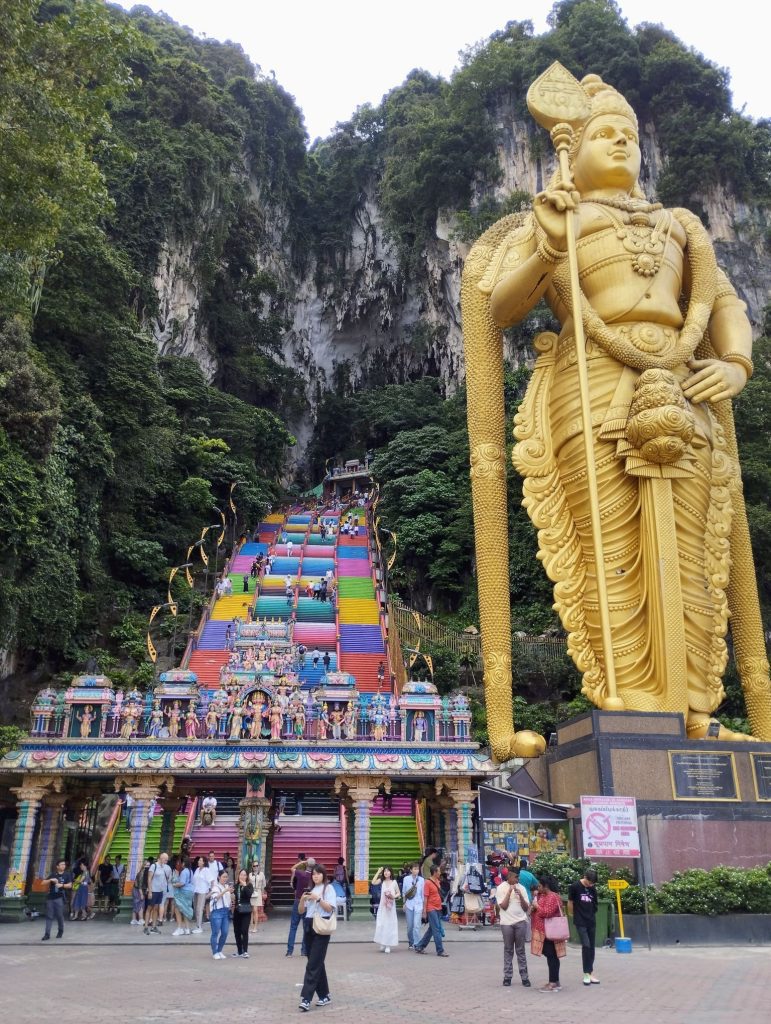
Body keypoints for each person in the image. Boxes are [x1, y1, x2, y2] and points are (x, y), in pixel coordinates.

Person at [463, 67, 771, 758]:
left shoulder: (678, 226)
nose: (620, 145)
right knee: (610, 551)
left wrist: (733, 363)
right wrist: (545, 244)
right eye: (604, 133)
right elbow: (498, 307)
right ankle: (629, 698)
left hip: (685, 383)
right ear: (571, 149)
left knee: (695, 552)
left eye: (629, 136)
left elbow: (724, 306)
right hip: (591, 385)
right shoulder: (558, 216)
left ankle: (695, 705)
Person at [298, 863, 336, 1012]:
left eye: (319, 873)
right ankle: (325, 995)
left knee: (312, 964)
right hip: (308, 925)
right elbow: (301, 911)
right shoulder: (311, 889)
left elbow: (330, 908)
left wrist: (318, 899)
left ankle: (306, 998)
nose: (316, 876)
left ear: (323, 875)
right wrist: (302, 899)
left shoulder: (329, 888)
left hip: (321, 927)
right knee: (316, 962)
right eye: (314, 874)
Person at [496, 865, 531, 988]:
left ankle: (524, 977)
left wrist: (520, 895)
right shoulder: (501, 888)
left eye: (518, 877)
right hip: (506, 923)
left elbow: (526, 908)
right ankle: (507, 977)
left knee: (521, 950)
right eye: (516, 877)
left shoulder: (522, 888)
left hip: (520, 922)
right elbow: (503, 906)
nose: (518, 879)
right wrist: (509, 892)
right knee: (508, 950)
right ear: (509, 876)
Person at [530, 875, 566, 992]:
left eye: (540, 886)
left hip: (550, 932)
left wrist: (536, 906)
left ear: (546, 886)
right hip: (544, 931)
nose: (538, 888)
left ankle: (553, 982)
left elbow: (547, 913)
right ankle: (555, 981)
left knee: (552, 956)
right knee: (551, 956)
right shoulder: (543, 895)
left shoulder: (552, 897)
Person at [568, 867, 600, 985]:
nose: (590, 884)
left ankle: (590, 973)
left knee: (591, 947)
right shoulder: (575, 887)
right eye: (589, 882)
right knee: (586, 945)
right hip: (580, 920)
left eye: (592, 883)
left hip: (591, 920)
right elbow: (570, 902)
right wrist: (572, 915)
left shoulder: (592, 889)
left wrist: (591, 913)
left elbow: (595, 903)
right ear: (585, 877)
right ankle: (586, 973)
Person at [413, 865, 449, 957]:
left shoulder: (437, 881)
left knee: (432, 929)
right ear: (434, 872)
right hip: (431, 908)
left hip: (438, 908)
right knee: (436, 929)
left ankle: (420, 946)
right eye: (438, 871)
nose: (440, 873)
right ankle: (440, 950)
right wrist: (424, 911)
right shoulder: (427, 883)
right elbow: (425, 898)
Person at [286, 855, 315, 956]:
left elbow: (292, 869)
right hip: (308, 903)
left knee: (293, 926)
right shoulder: (314, 877)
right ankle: (304, 950)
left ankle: (290, 951)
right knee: (305, 927)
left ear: (306, 865)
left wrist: (302, 862)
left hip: (298, 901)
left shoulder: (301, 874)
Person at [41, 859, 73, 940]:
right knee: (49, 916)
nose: (63, 866)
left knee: (59, 916)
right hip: (50, 898)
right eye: (62, 864)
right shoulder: (53, 874)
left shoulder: (67, 874)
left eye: (64, 864)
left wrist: (61, 885)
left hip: (60, 898)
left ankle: (60, 931)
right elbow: (43, 883)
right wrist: (50, 880)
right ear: (57, 866)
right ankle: (47, 934)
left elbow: (70, 885)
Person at [372, 865, 399, 952]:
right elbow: (373, 882)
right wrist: (378, 871)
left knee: (389, 924)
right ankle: (382, 943)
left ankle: (388, 945)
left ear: (391, 872)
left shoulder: (394, 882)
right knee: (382, 924)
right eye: (385, 871)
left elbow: (398, 893)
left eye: (388, 871)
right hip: (383, 906)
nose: (386, 872)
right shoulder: (382, 881)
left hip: (391, 908)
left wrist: (393, 896)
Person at [144, 852, 171, 934]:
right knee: (149, 908)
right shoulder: (153, 866)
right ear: (161, 858)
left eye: (167, 860)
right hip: (153, 891)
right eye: (165, 859)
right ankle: (145, 927)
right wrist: (150, 891)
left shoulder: (163, 867)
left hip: (160, 891)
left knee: (156, 908)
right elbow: (149, 879)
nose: (166, 861)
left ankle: (154, 926)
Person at [208, 868, 232, 960]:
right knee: (215, 932)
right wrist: (225, 891)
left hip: (225, 911)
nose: (225, 879)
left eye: (226, 877)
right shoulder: (215, 887)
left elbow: (229, 900)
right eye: (223, 877)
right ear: (219, 877)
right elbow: (215, 898)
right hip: (217, 912)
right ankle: (215, 952)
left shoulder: (226, 886)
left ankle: (219, 950)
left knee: (225, 932)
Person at [401, 862, 425, 949]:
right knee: (410, 926)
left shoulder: (422, 880)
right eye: (414, 869)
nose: (416, 870)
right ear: (411, 870)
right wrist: (404, 903)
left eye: (417, 869)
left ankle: (417, 943)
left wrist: (424, 907)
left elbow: (422, 894)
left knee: (416, 925)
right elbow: (404, 892)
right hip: (409, 904)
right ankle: (411, 942)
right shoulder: (406, 879)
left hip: (419, 904)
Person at [232, 868, 254, 958]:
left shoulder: (249, 885)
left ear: (247, 877)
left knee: (244, 930)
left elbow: (249, 895)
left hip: (246, 911)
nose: (243, 876)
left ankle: (245, 951)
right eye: (241, 874)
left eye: (245, 875)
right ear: (238, 876)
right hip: (237, 910)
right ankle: (239, 951)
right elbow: (234, 896)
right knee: (237, 931)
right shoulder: (236, 886)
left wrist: (244, 886)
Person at [172, 856, 195, 935]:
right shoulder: (191, 871)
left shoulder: (184, 871)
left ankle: (179, 928)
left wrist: (174, 884)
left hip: (184, 892)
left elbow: (182, 883)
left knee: (177, 908)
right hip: (190, 892)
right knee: (186, 909)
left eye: (181, 862)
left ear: (184, 863)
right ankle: (187, 928)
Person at [191, 855, 209, 932]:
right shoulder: (197, 869)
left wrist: (210, 892)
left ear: (204, 862)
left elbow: (211, 881)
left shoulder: (206, 870)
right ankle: (197, 925)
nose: (199, 861)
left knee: (200, 909)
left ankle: (199, 927)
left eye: (200, 860)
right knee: (195, 908)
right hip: (196, 891)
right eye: (199, 860)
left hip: (202, 891)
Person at [249, 859, 266, 933]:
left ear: (259, 866)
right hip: (251, 892)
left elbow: (264, 884)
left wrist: (262, 893)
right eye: (254, 866)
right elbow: (248, 884)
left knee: (255, 910)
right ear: (252, 867)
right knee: (251, 911)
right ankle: (251, 926)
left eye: (257, 865)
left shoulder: (261, 874)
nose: (255, 867)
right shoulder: (250, 874)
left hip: (258, 892)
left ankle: (255, 927)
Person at [131, 859, 150, 926]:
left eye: (148, 865)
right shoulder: (142, 873)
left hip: (139, 889)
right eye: (146, 865)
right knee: (140, 904)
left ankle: (134, 919)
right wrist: (141, 894)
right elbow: (139, 885)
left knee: (136, 904)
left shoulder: (144, 873)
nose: (147, 867)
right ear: (143, 865)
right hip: (138, 890)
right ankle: (141, 919)